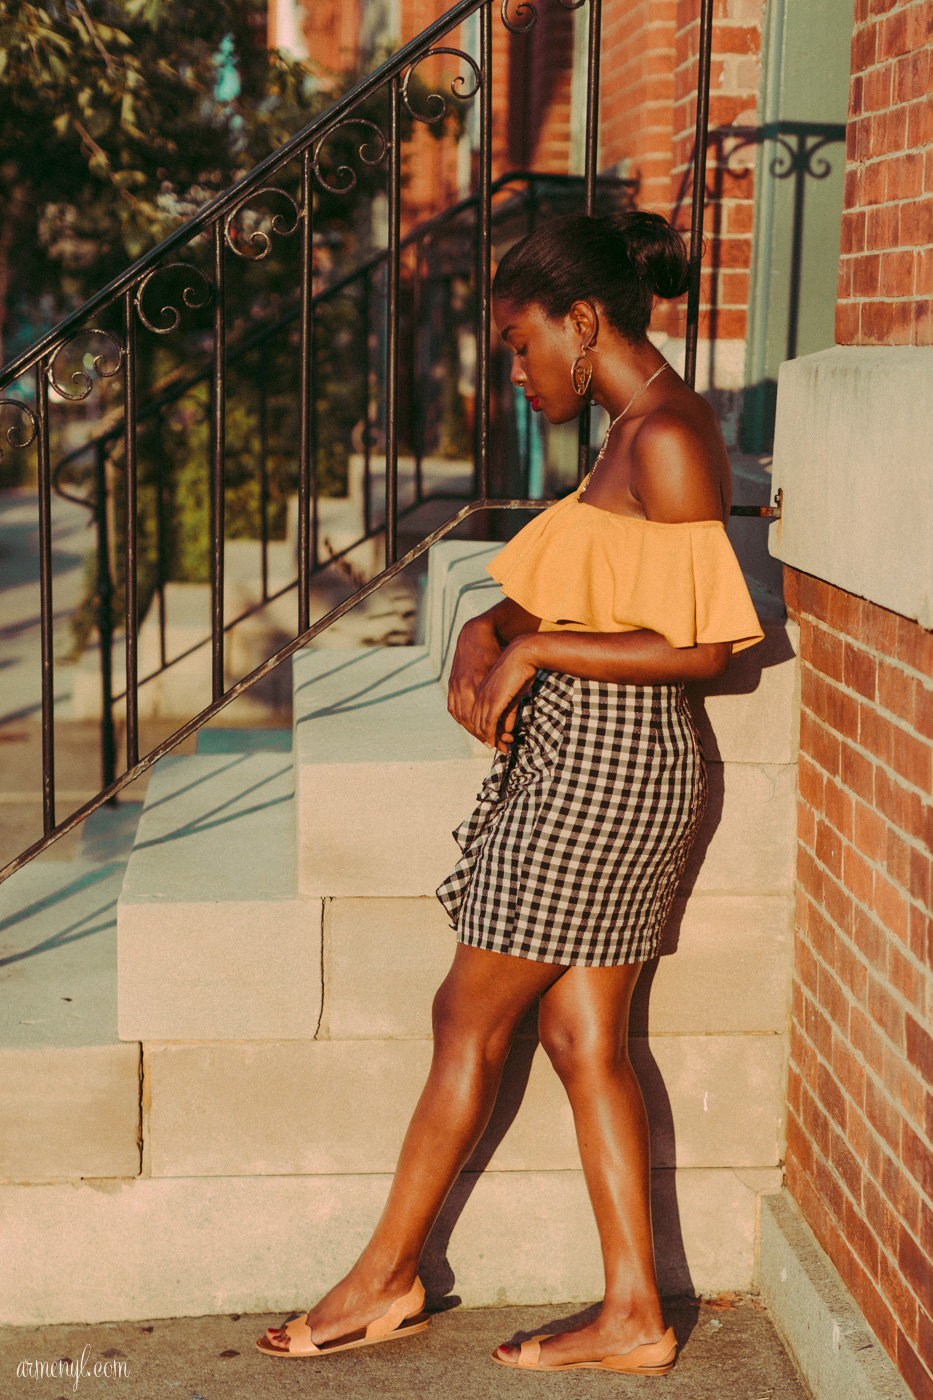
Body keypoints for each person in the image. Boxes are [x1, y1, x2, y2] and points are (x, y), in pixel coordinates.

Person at [256, 210, 764, 1374]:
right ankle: (635, 1312)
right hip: (584, 762)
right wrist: (487, 623)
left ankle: (385, 1274)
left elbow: (704, 649)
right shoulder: (631, 429)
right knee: (582, 1034)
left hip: (610, 772)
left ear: (583, 322)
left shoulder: (668, 436)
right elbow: (597, 583)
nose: (515, 372)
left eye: (519, 343)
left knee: (467, 1017)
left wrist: (532, 650)